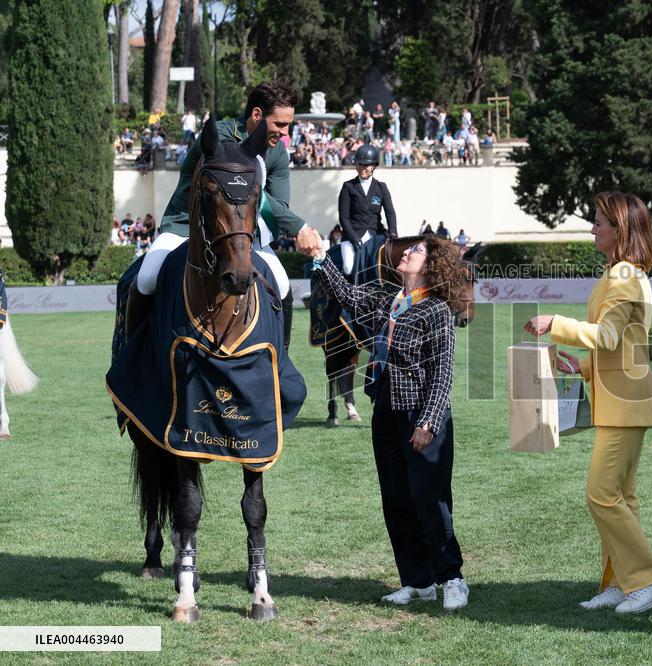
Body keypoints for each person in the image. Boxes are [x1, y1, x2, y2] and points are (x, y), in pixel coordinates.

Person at [524, 192, 652, 614]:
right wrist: (584, 369)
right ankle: (621, 582)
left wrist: (556, 324)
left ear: (620, 229)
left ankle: (650, 580)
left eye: (598, 222)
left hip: (627, 403)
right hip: (620, 398)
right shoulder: (618, 272)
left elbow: (609, 336)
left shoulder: (624, 274)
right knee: (620, 496)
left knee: (601, 493)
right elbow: (621, 345)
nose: (592, 228)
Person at [310, 235, 471, 610]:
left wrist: (428, 422)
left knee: (429, 500)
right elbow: (348, 296)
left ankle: (451, 578)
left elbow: (442, 373)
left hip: (421, 417)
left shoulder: (437, 311)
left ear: (431, 266)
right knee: (396, 500)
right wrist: (320, 256)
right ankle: (417, 581)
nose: (408, 253)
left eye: (417, 251)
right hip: (385, 411)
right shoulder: (389, 300)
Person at [140, 81, 320, 348]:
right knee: (146, 278)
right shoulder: (221, 136)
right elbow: (234, 186)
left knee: (282, 287)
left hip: (243, 233)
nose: (285, 133)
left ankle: (280, 362)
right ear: (257, 115)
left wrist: (291, 226)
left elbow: (277, 203)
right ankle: (134, 353)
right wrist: (299, 226)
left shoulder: (279, 153)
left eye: (288, 125)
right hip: (186, 226)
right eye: (280, 124)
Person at [337, 143, 398, 277]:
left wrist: (393, 232)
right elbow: (343, 217)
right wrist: (353, 237)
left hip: (376, 234)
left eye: (367, 165)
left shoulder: (381, 187)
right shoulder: (348, 187)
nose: (363, 168)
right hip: (353, 234)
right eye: (360, 164)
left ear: (373, 166)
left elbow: (390, 212)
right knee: (348, 267)